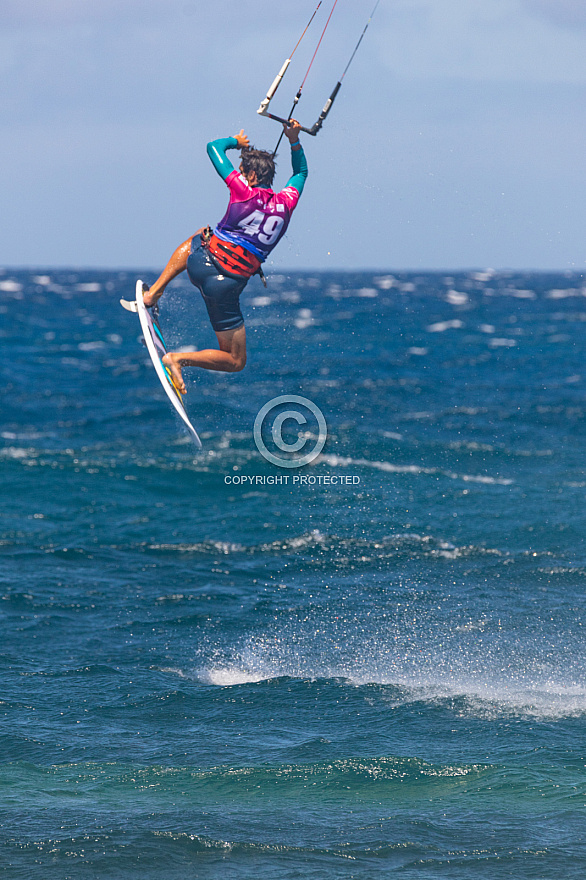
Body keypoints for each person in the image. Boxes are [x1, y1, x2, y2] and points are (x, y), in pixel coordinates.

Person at [142, 119, 308, 393]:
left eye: (243, 172)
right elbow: (301, 171)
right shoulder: (287, 202)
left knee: (202, 235)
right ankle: (177, 359)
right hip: (225, 286)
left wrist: (236, 142)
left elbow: (212, 148)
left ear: (252, 177)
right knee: (235, 360)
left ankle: (155, 292)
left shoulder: (242, 191)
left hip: (198, 262)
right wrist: (294, 139)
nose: (240, 176)